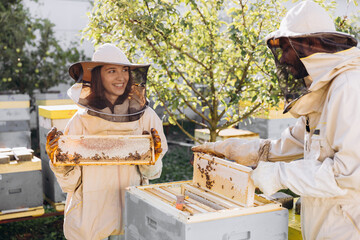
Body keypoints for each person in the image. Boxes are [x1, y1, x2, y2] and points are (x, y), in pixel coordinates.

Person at [192, 1, 360, 239]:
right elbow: (289, 144)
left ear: (308, 44)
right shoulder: (326, 90)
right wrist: (231, 149)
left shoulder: (349, 87)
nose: (281, 60)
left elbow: (349, 175)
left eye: (285, 49)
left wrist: (276, 175)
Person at [46, 43, 168, 240]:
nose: (121, 77)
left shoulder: (147, 117)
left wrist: (152, 158)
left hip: (129, 214)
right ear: (97, 77)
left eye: (125, 70)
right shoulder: (80, 121)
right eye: (112, 71)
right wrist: (60, 162)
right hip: (91, 218)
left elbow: (153, 174)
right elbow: (71, 184)